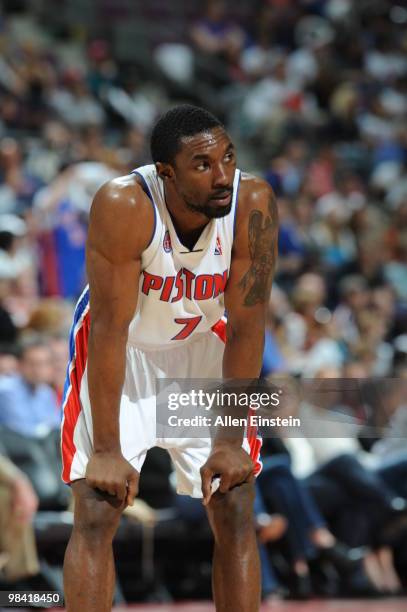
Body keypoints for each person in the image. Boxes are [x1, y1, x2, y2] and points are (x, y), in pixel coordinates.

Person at [61, 104, 278, 611]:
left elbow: (248, 325)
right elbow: (109, 329)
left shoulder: (254, 202)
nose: (222, 175)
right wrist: (109, 450)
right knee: (97, 506)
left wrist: (228, 441)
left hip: (204, 345)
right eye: (203, 166)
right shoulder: (124, 204)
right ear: (166, 173)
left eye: (228, 157)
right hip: (125, 350)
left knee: (237, 499)